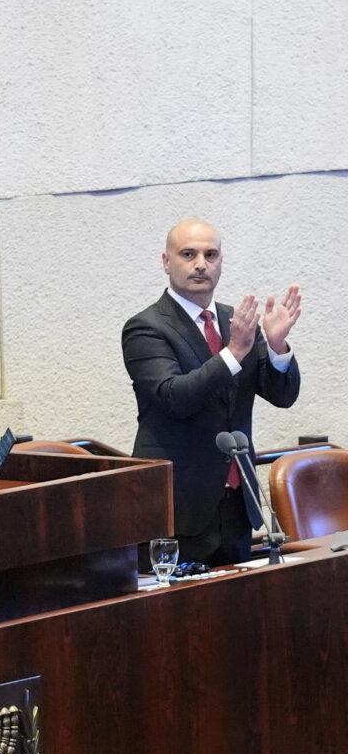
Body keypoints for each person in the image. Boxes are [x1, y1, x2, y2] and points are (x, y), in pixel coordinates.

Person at [122, 218, 301, 565]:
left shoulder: (236, 321)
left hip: (236, 504)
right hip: (178, 509)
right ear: (166, 262)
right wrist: (234, 352)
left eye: (210, 254)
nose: (201, 264)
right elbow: (176, 397)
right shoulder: (146, 327)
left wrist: (277, 347)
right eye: (188, 254)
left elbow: (282, 395)